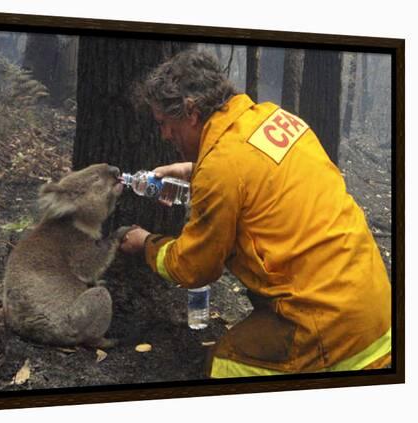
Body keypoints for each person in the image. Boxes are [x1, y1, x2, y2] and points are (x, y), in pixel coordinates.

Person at [120, 50, 391, 377]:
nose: (164, 135)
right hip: (377, 311)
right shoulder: (274, 118)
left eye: (165, 123)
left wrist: (145, 243)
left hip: (326, 329)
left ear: (191, 112)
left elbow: (194, 268)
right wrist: (194, 170)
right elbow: (253, 173)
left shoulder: (221, 168)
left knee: (222, 366)